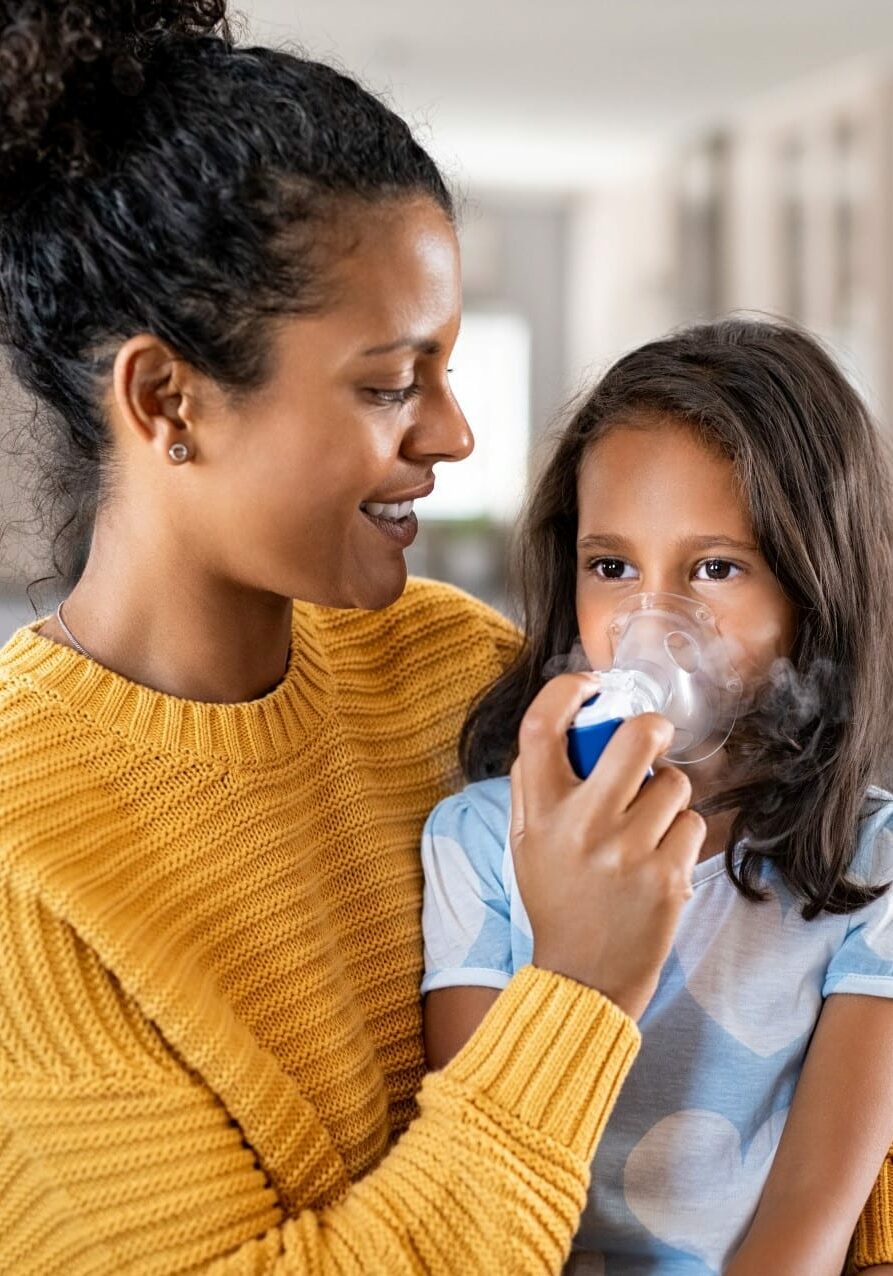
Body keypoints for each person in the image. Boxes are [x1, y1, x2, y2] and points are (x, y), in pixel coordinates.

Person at [0, 3, 710, 1271]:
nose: (453, 435)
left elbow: (766, 975)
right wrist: (577, 995)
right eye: (391, 383)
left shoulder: (456, 666)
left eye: (444, 368)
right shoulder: (25, 860)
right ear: (168, 399)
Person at [421, 319, 893, 1274]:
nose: (649, 621)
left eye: (715, 568)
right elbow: (480, 1185)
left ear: (814, 590)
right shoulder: (481, 842)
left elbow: (808, 1222)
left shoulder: (868, 866)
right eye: (611, 567)